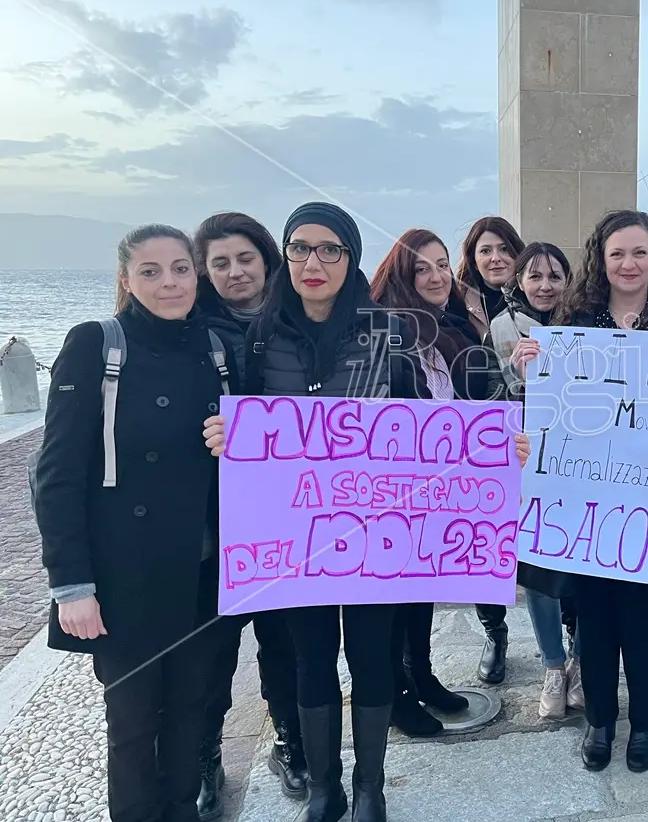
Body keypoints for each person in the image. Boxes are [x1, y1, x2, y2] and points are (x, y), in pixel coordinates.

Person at [204, 202, 425, 822]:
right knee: (311, 658)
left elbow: (426, 425)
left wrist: (490, 447)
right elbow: (243, 415)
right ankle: (325, 788)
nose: (313, 262)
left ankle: (371, 788)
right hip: (295, 534)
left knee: (372, 656)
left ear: (351, 259)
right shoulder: (260, 336)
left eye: (331, 249)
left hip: (374, 532)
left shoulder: (389, 333)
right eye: (300, 248)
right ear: (286, 256)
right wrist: (227, 433)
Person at [34, 223, 238, 822]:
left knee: (190, 711)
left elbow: (254, 454)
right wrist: (71, 586)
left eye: (180, 268)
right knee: (132, 724)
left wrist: (238, 437)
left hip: (200, 570)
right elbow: (56, 475)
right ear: (126, 279)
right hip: (125, 574)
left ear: (196, 275)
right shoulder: (95, 344)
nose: (169, 282)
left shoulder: (216, 348)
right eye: (151, 271)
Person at [527, 209, 648, 773]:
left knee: (642, 618)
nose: (628, 264)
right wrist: (529, 365)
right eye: (617, 254)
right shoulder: (575, 318)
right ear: (600, 261)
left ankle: (645, 721)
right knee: (594, 616)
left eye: (639, 252)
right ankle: (601, 720)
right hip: (588, 499)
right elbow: (550, 405)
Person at [369, 229, 509, 735]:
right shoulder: (383, 332)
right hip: (392, 491)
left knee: (421, 588)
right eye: (421, 268)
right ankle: (395, 695)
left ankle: (422, 676)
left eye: (442, 265)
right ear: (401, 276)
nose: (435, 276)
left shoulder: (448, 329)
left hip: (436, 490)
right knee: (391, 596)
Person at [192, 212, 306, 819]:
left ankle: (289, 740)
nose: (235, 272)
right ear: (206, 272)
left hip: (285, 513)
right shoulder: (188, 332)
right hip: (214, 517)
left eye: (245, 258)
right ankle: (205, 752)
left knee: (284, 639)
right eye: (220, 263)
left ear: (267, 261)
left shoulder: (299, 324)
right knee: (214, 647)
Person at [490, 242, 584, 719]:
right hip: (529, 462)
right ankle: (553, 664)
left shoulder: (587, 324)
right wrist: (519, 376)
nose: (545, 286)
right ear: (519, 281)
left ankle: (582, 660)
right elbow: (489, 398)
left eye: (554, 276)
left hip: (584, 463)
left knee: (588, 563)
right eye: (534, 276)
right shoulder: (501, 328)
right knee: (538, 570)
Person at [454, 214, 527, 682]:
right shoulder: (454, 302)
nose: (496, 258)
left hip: (533, 433)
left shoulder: (540, 292)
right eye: (486, 250)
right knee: (484, 537)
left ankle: (566, 637)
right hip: (479, 439)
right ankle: (494, 631)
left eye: (504, 248)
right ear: (473, 258)